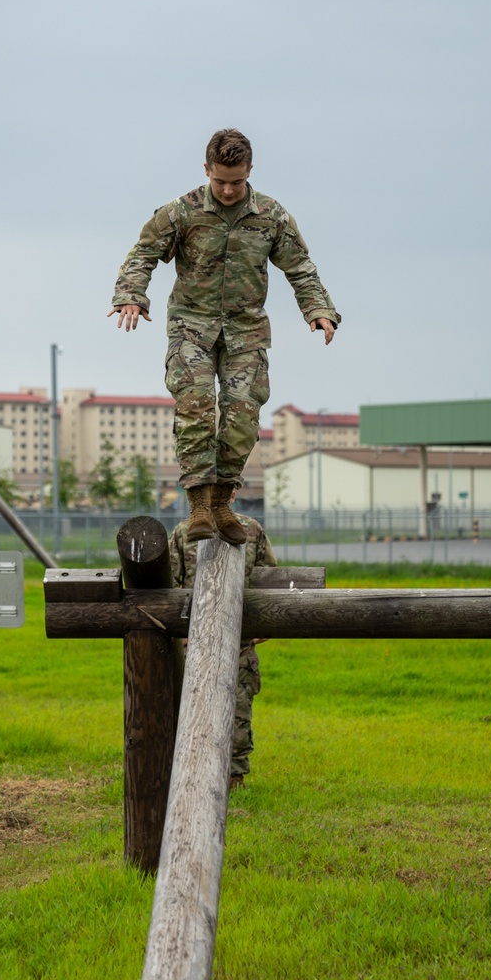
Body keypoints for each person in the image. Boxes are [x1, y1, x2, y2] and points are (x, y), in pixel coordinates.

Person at [107, 127, 339, 545]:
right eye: (220, 181)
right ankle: (198, 504)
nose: (229, 190)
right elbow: (142, 254)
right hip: (191, 327)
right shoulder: (181, 212)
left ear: (250, 171)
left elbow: (300, 267)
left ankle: (221, 502)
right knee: (196, 406)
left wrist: (318, 309)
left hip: (245, 330)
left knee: (242, 418)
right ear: (206, 170)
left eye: (237, 181)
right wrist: (131, 295)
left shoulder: (272, 216)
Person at [169, 493, 276, 786]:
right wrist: (181, 637)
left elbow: (270, 581)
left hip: (239, 644)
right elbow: (169, 589)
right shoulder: (183, 534)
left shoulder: (251, 531)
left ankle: (233, 779)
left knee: (238, 712)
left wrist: (264, 625)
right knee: (193, 714)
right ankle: (193, 777)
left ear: (234, 492)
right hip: (197, 645)